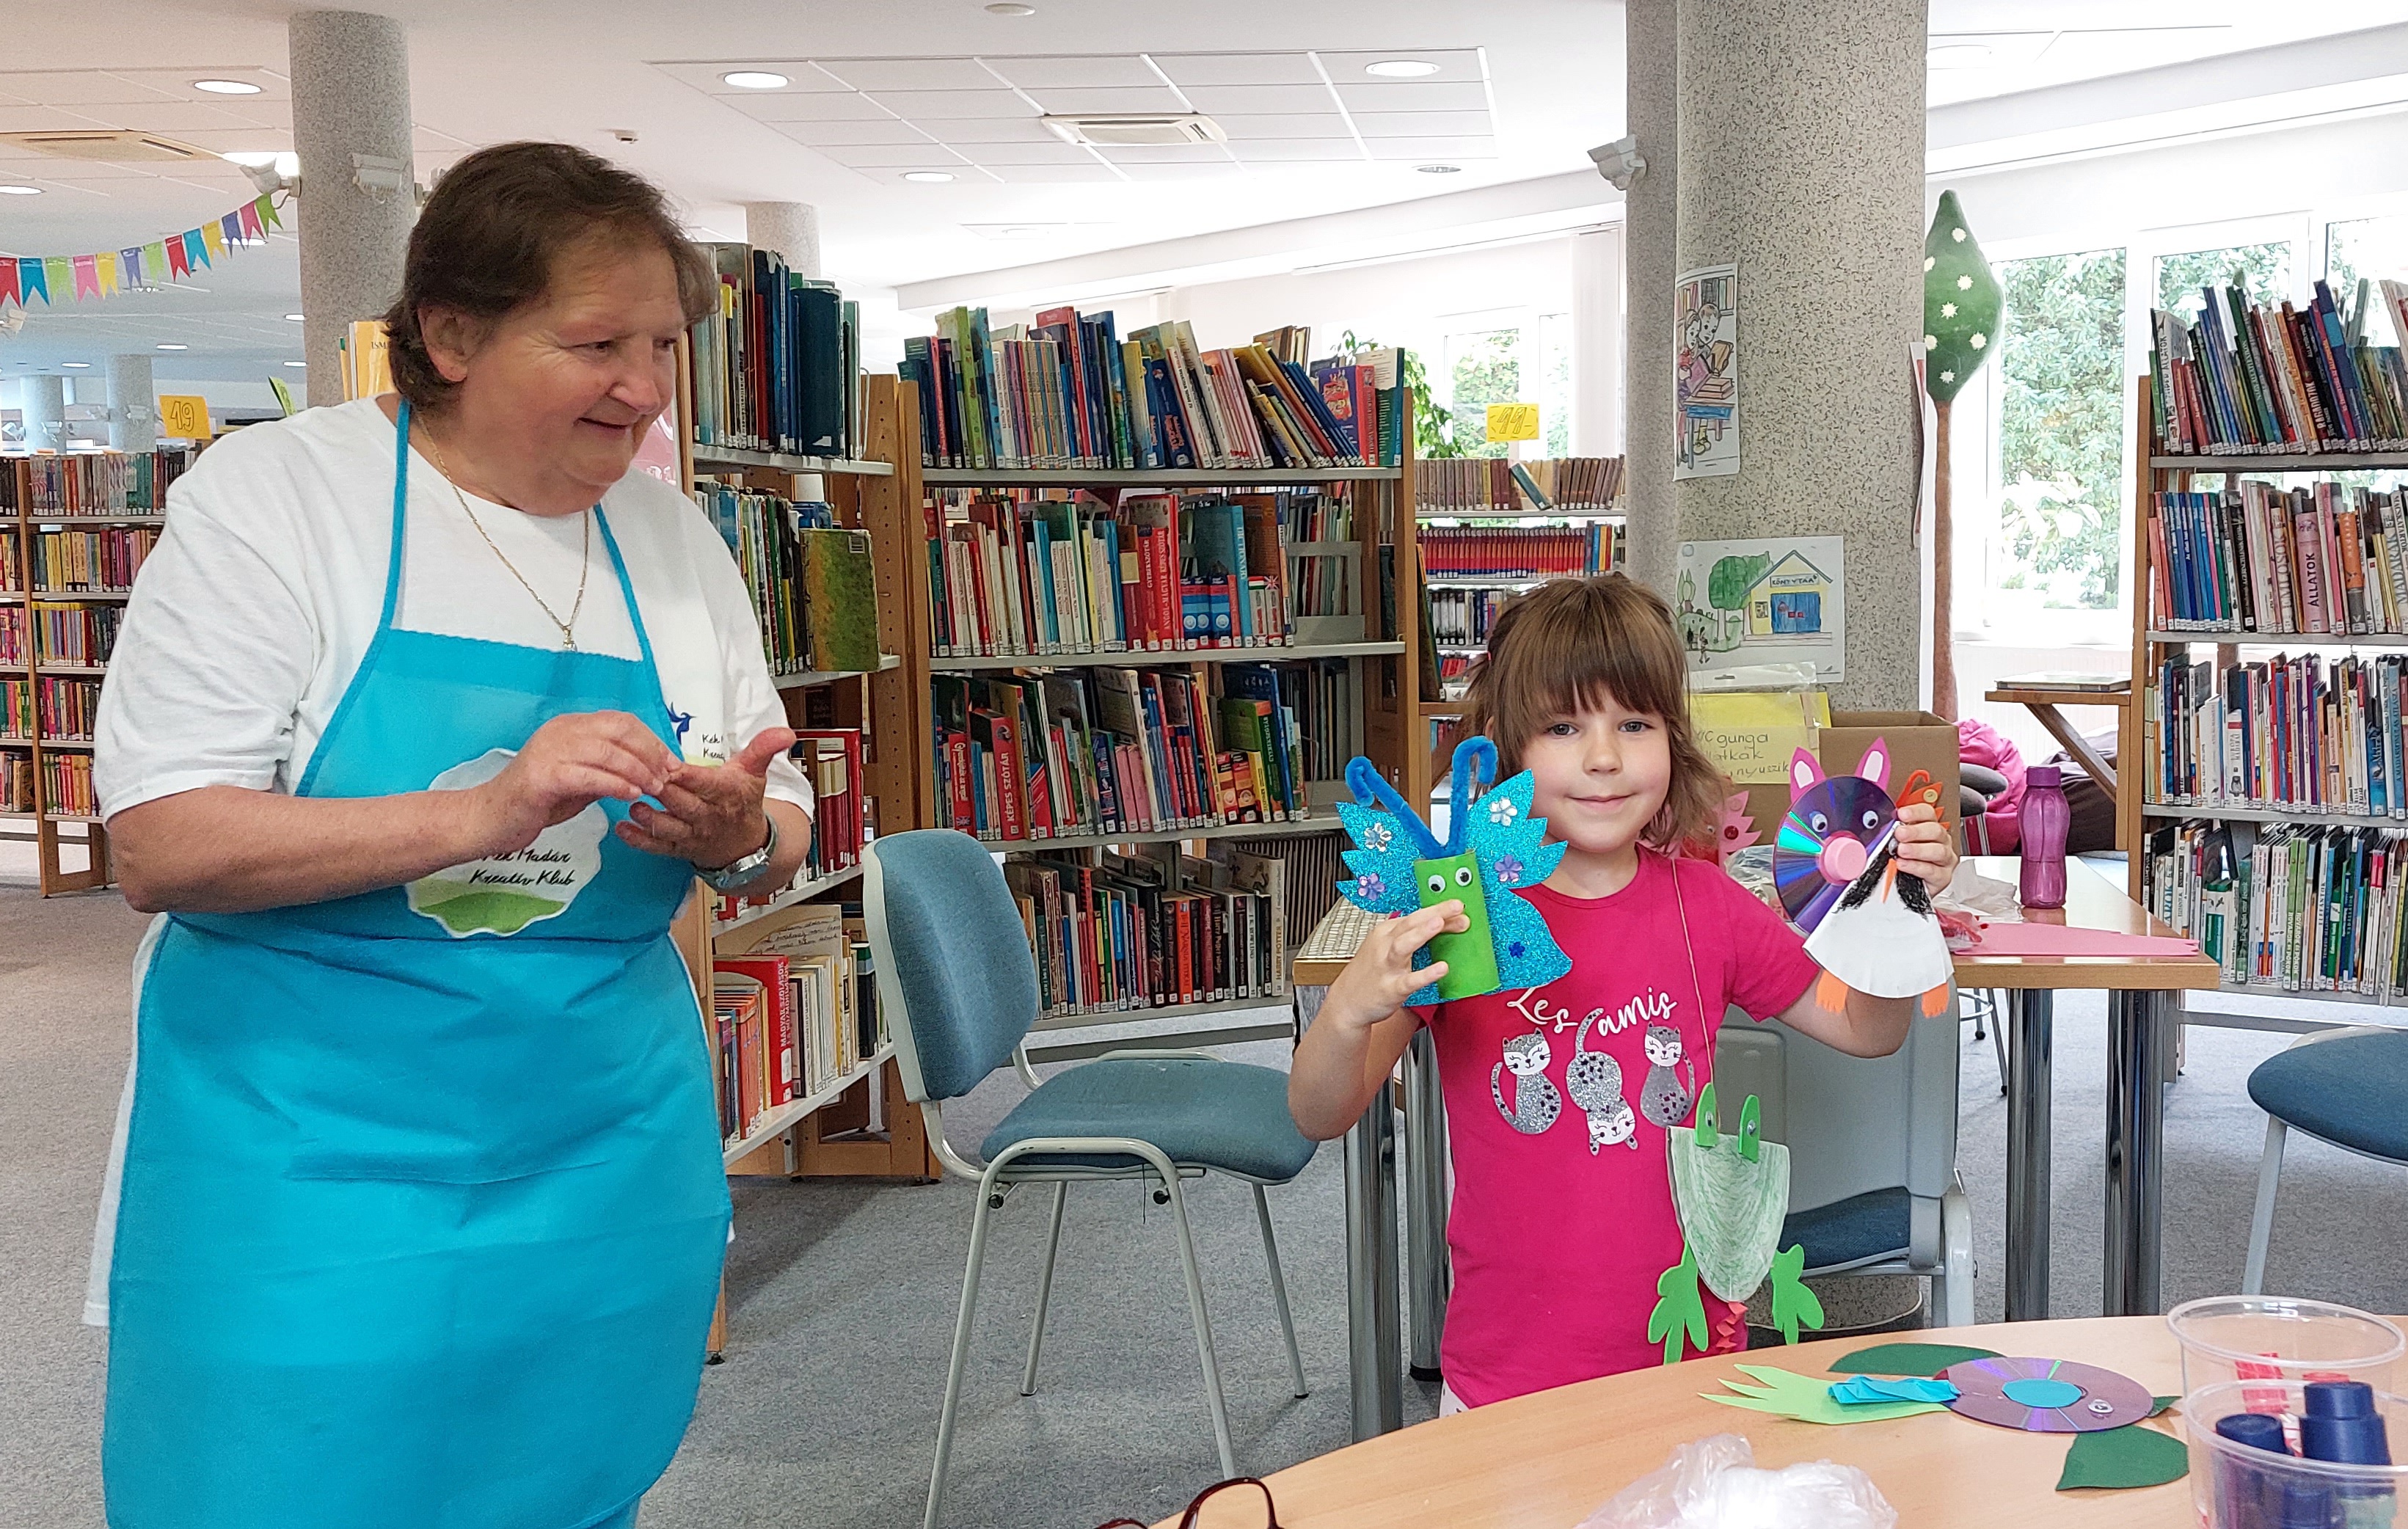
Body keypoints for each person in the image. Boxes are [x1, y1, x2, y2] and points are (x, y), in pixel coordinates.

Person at [86, 142, 814, 1529]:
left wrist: (736, 836)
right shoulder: (280, 501)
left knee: (566, 1478)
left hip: (601, 1142)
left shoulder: (677, 540)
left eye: (664, 344)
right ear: (452, 335)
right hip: (311, 1157)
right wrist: (485, 812)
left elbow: (774, 820)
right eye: (596, 343)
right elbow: (165, 844)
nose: (645, 388)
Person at [1287, 575, 1958, 1412]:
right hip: (1507, 1380)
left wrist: (1896, 914)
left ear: (1673, 739)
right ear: (1507, 750)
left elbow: (1868, 1028)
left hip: (1688, 1363)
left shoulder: (1709, 906)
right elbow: (1318, 1111)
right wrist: (1350, 1006)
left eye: (1634, 724)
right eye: (1564, 727)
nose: (1603, 758)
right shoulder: (1463, 919)